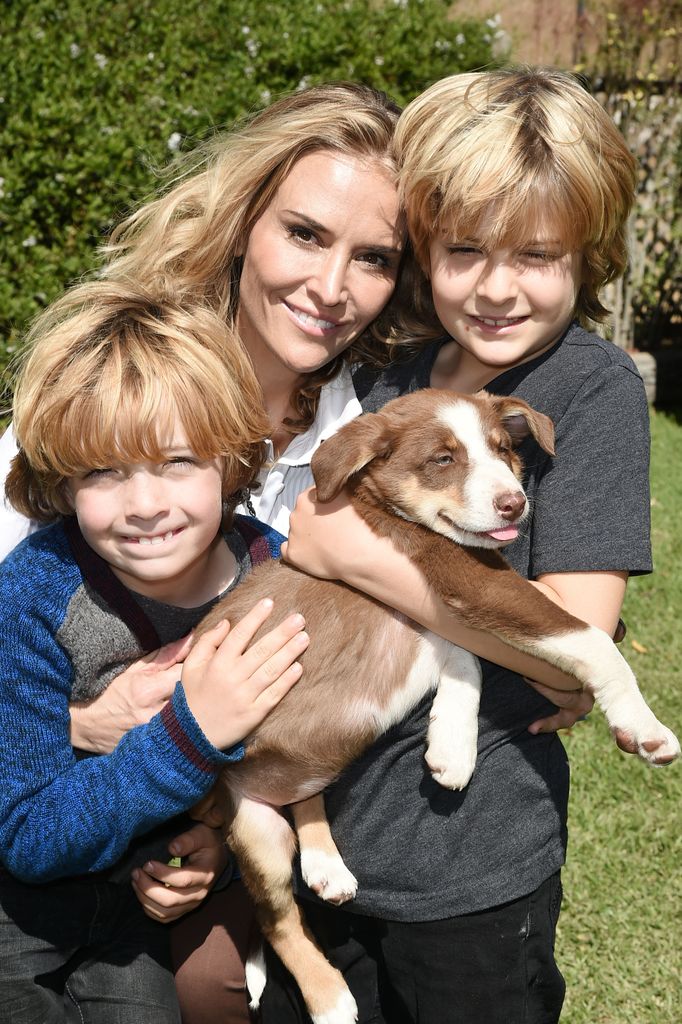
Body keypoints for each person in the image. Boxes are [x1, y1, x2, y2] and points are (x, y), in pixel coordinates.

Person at [0, 78, 620, 1021]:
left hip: (269, 804)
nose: (332, 288)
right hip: (87, 806)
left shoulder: (371, 410)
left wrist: (545, 651)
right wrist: (88, 725)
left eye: (373, 257)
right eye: (304, 234)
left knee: (217, 977)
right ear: (243, 221)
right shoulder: (119, 386)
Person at [259, 67, 653, 1023]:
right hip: (332, 825)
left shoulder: (590, 391)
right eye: (466, 249)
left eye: (538, 254)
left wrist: (350, 556)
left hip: (472, 855)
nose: (497, 286)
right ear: (425, 245)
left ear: (589, 253)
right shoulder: (385, 373)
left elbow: (566, 643)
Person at [0, 283, 310, 1023]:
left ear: (230, 459)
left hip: (140, 920)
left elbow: (302, 767)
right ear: (62, 480)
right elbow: (26, 835)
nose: (143, 504)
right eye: (103, 471)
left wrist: (221, 854)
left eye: (176, 460)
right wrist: (189, 736)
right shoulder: (34, 595)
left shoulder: (281, 581)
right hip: (18, 910)